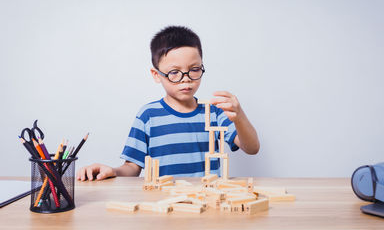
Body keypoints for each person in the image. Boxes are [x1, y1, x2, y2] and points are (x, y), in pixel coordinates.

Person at [77, 26, 260, 181]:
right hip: (165, 206)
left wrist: (239, 115)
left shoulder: (213, 112)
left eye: (194, 70)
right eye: (174, 72)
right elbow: (132, 167)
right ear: (157, 75)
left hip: (207, 202)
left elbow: (252, 148)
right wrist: (113, 171)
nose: (186, 80)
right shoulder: (148, 115)